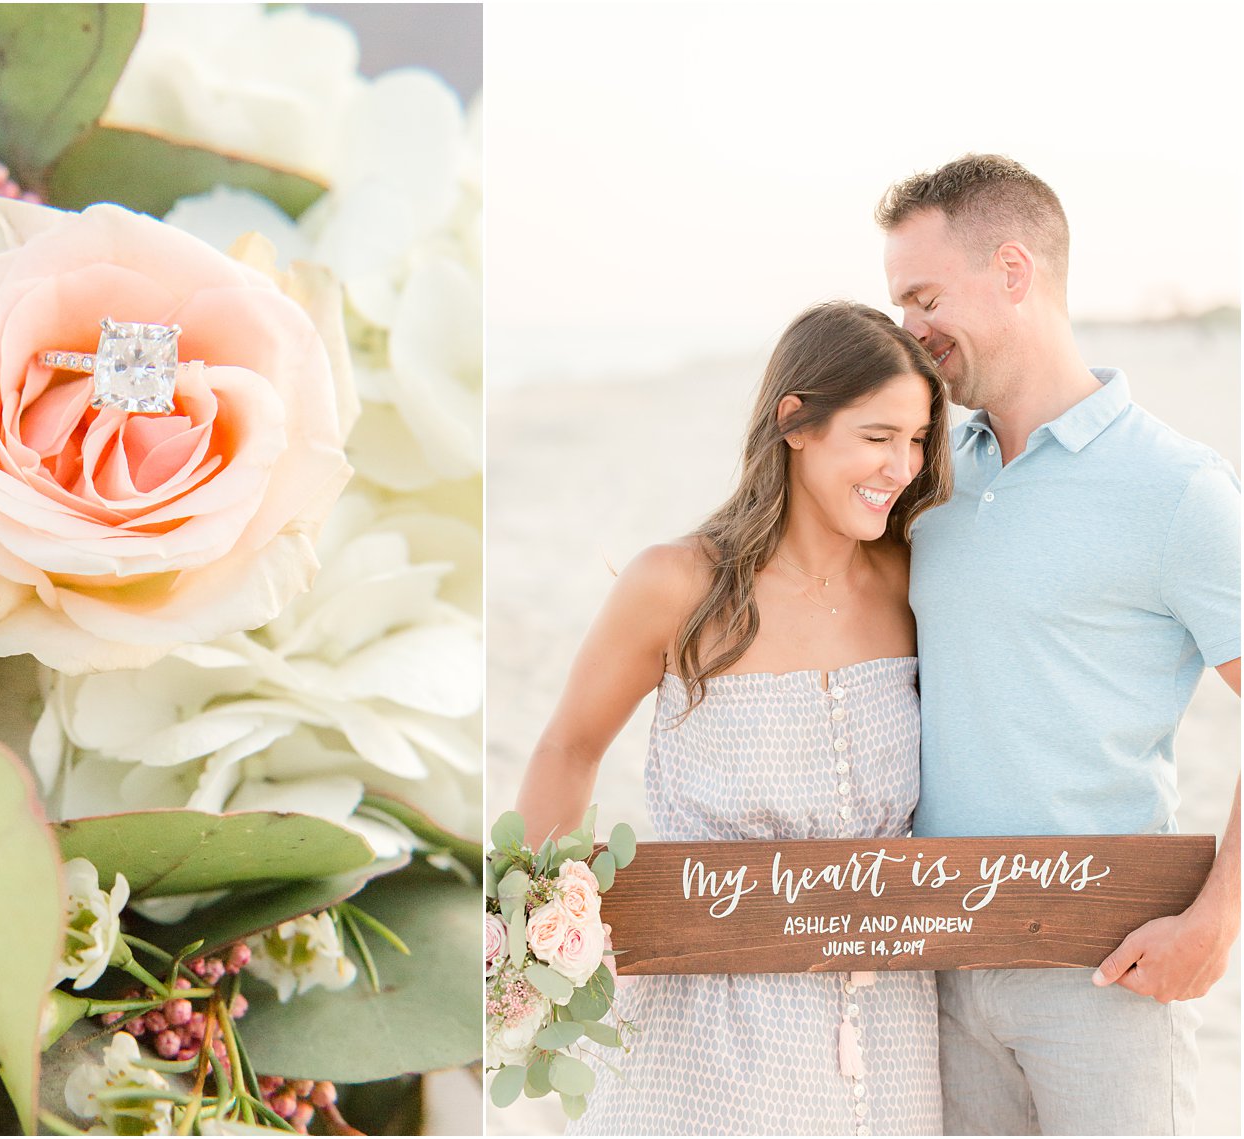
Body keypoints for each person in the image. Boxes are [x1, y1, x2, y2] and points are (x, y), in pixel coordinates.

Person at [514, 301, 952, 1136]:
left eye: (918, 438)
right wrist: (534, 958)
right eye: (877, 435)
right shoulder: (676, 584)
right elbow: (568, 747)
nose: (902, 464)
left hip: (888, 1026)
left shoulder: (913, 584)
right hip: (702, 1031)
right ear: (795, 421)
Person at [879, 153, 1241, 1136]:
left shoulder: (1176, 490)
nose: (907, 329)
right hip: (940, 969)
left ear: (1009, 272)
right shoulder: (923, 484)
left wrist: (1216, 916)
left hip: (1105, 972)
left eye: (921, 295)